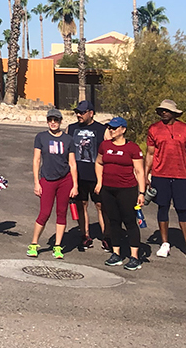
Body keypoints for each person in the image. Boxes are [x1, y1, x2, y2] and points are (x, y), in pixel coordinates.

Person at [95, 117, 146, 271]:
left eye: (115, 128)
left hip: (127, 189)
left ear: (123, 129)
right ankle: (116, 253)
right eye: (110, 127)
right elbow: (99, 162)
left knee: (129, 221)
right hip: (108, 189)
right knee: (113, 220)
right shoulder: (105, 145)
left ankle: (134, 256)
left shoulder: (132, 148)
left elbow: (139, 171)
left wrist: (142, 192)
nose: (111, 130)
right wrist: (99, 181)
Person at [28, 108, 78, 259]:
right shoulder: (41, 137)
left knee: (62, 213)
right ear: (47, 121)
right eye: (50, 120)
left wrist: (75, 185)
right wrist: (37, 182)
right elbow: (36, 160)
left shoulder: (68, 139)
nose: (53, 123)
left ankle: (57, 246)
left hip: (65, 180)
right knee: (44, 213)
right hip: (47, 179)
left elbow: (72, 163)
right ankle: (34, 243)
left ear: (61, 121)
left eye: (56, 120)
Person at [144, 99, 186, 258]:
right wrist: (146, 175)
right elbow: (150, 154)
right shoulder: (154, 129)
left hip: (182, 175)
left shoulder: (184, 128)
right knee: (162, 207)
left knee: (183, 209)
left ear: (174, 113)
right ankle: (164, 243)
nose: (164, 113)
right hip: (160, 175)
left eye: (167, 110)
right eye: (162, 110)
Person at [67, 100, 108, 250]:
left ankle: (106, 236)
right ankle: (85, 235)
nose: (79, 115)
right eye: (77, 112)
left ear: (91, 113)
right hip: (77, 176)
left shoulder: (102, 130)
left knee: (101, 206)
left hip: (96, 176)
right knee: (81, 204)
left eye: (82, 112)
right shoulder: (71, 129)